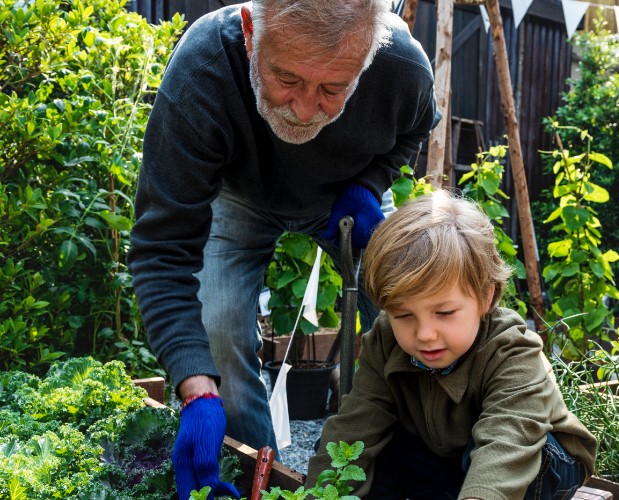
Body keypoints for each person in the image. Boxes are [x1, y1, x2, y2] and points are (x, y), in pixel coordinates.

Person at [127, 0, 439, 496]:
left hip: (343, 196)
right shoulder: (202, 71)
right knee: (218, 331)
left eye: (333, 89)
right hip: (240, 196)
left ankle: (422, 464)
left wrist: (369, 182)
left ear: (368, 58)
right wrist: (195, 386)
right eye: (287, 78)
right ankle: (257, 478)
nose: (304, 108)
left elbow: (413, 129)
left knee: (420, 307)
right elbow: (162, 247)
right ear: (251, 32)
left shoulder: (401, 67)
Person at [306, 190, 597, 499]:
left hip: (535, 459)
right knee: (349, 452)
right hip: (449, 456)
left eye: (444, 313)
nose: (425, 334)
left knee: (503, 457)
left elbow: (507, 441)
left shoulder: (513, 350)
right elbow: (357, 421)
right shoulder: (386, 338)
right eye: (404, 315)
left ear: (486, 296)